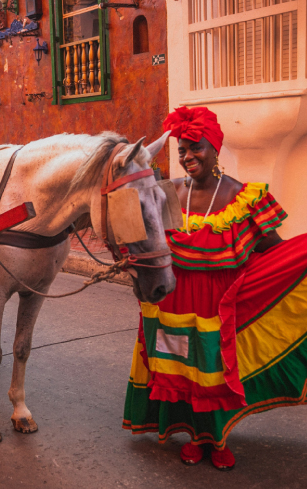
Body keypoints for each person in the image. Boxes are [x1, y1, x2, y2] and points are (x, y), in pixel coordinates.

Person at [122, 106, 307, 470]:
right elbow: (143, 241)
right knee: (181, 370)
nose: (188, 157)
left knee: (215, 373)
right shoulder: (169, 194)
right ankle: (194, 436)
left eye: (196, 148)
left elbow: (275, 249)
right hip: (174, 302)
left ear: (215, 149)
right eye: (182, 150)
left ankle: (217, 438)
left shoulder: (242, 198)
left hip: (219, 307)